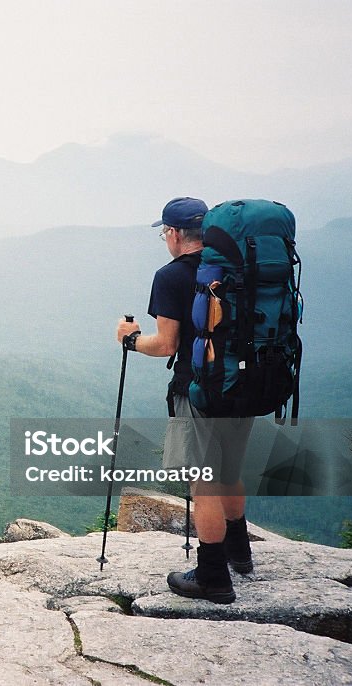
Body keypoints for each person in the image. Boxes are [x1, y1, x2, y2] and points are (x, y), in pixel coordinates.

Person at [115, 196, 254, 604]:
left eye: (164, 232)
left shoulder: (171, 276)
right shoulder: (237, 267)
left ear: (175, 234)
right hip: (245, 384)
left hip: (199, 390)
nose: (164, 238)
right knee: (229, 470)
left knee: (204, 481)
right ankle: (239, 554)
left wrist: (131, 340)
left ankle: (213, 577)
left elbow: (165, 345)